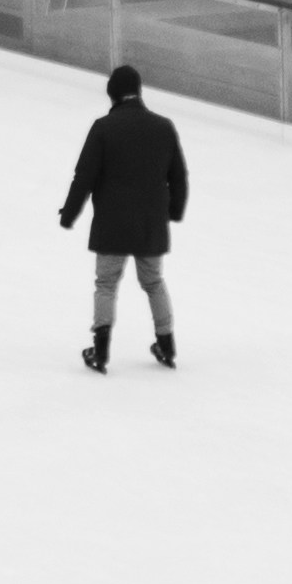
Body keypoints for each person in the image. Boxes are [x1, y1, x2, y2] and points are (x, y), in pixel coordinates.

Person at [58, 63, 189, 374]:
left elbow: (84, 177)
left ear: (113, 94)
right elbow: (178, 177)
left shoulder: (103, 128)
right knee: (154, 281)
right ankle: (166, 343)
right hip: (149, 224)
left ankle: (100, 350)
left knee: (106, 284)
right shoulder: (163, 127)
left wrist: (69, 214)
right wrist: (174, 210)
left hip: (112, 224)